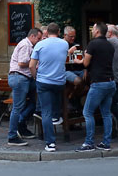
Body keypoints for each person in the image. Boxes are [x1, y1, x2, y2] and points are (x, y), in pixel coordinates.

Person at [76, 22, 115, 152]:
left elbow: (86, 63)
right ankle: (106, 142)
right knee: (106, 114)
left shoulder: (93, 44)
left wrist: (78, 61)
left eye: (93, 28)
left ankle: (89, 143)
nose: (92, 30)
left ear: (97, 31)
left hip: (98, 83)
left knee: (87, 112)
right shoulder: (110, 45)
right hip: (110, 82)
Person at [30, 22, 68, 153]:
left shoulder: (40, 45)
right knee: (56, 104)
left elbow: (31, 65)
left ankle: (50, 143)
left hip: (44, 81)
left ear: (47, 33)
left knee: (45, 112)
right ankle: (56, 116)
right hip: (59, 81)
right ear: (58, 32)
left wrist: (35, 76)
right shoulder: (64, 44)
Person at [6, 27, 41, 146]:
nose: (40, 41)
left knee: (35, 101)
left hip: (25, 79)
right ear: (33, 36)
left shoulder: (30, 46)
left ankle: (21, 125)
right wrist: (34, 62)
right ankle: (12, 136)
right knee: (17, 107)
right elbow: (21, 63)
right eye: (39, 38)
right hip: (19, 77)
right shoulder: (25, 45)